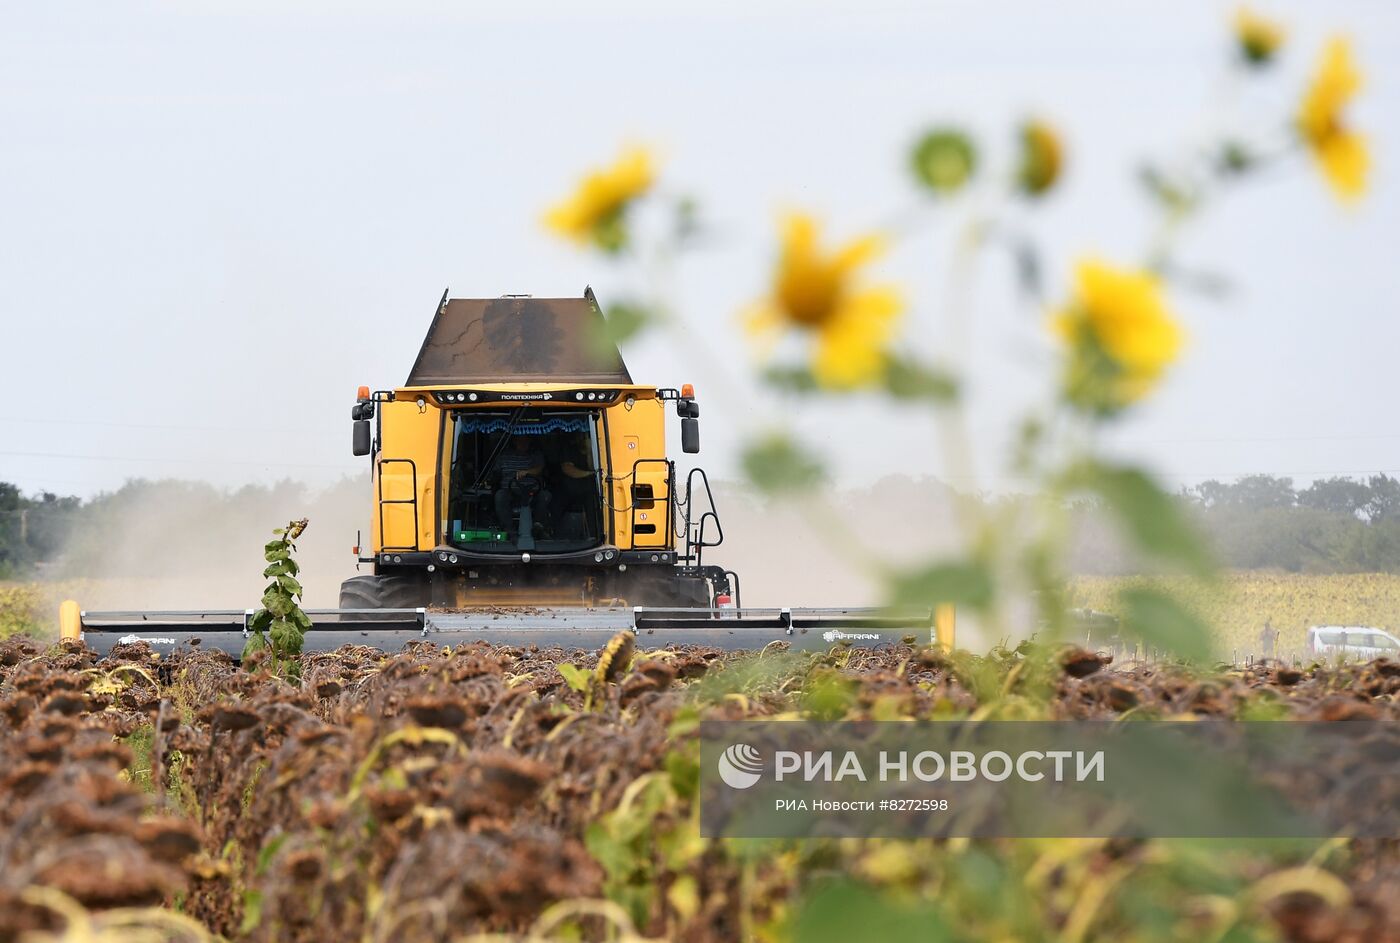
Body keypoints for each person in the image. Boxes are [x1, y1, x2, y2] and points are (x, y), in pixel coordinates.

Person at [494, 434, 550, 539]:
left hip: (532, 491)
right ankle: (508, 531)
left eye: (526, 440)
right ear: (514, 441)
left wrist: (527, 472)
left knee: (545, 496)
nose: (523, 443)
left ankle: (538, 527)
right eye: (520, 441)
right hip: (510, 491)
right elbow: (496, 473)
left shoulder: (536, 455)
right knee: (499, 496)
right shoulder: (504, 456)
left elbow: (540, 468)